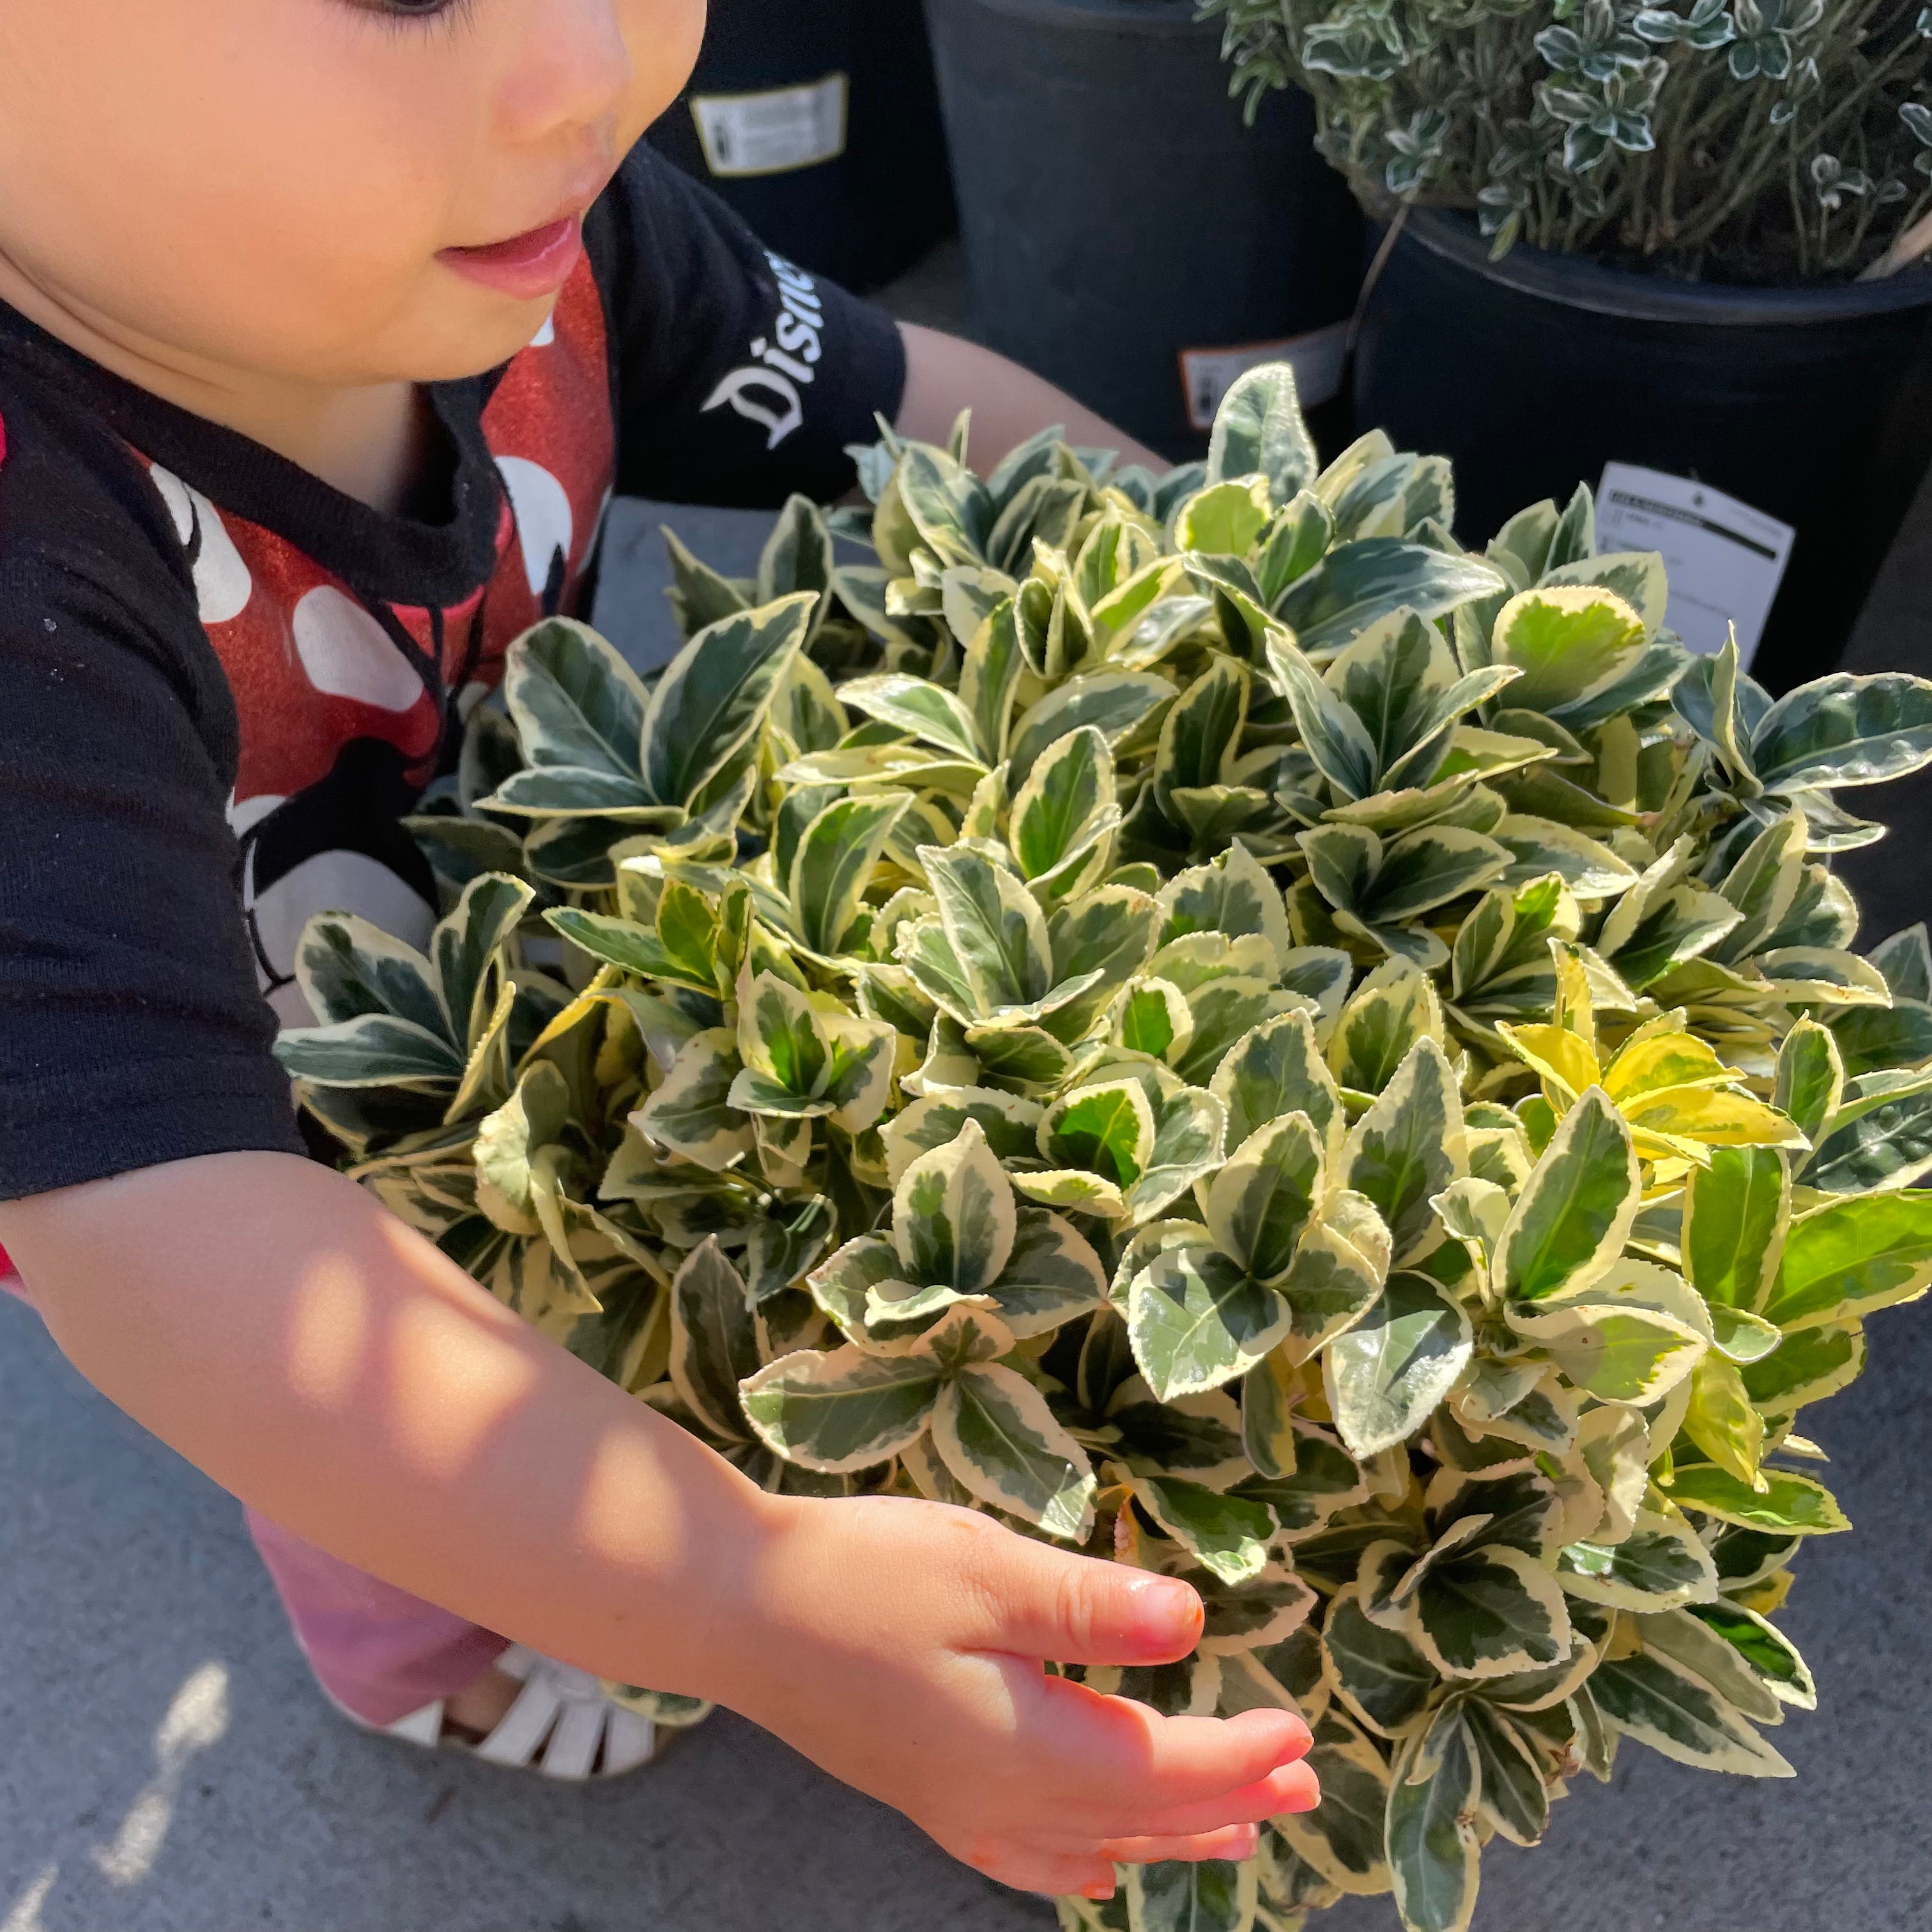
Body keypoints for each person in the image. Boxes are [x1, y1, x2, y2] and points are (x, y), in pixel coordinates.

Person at [0, 0, 1318, 1901]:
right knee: (351, 1415)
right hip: (193, 1117)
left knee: (499, 1274)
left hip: (461, 917)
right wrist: (739, 1593)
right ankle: (412, 1659)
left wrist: (1229, 555)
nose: (588, 61)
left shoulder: (534, 231)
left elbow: (893, 399)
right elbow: (173, 1256)